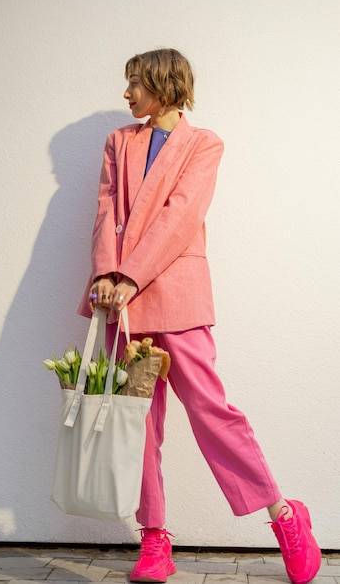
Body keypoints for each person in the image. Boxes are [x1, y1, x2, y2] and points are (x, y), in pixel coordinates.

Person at [78, 48, 321, 584]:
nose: (126, 94)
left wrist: (128, 274)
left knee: (211, 410)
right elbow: (105, 213)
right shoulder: (119, 141)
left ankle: (283, 514)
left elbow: (180, 216)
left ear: (164, 85)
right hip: (120, 300)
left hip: (175, 293)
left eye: (135, 83)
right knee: (135, 423)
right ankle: (154, 539)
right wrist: (103, 273)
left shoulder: (203, 144)